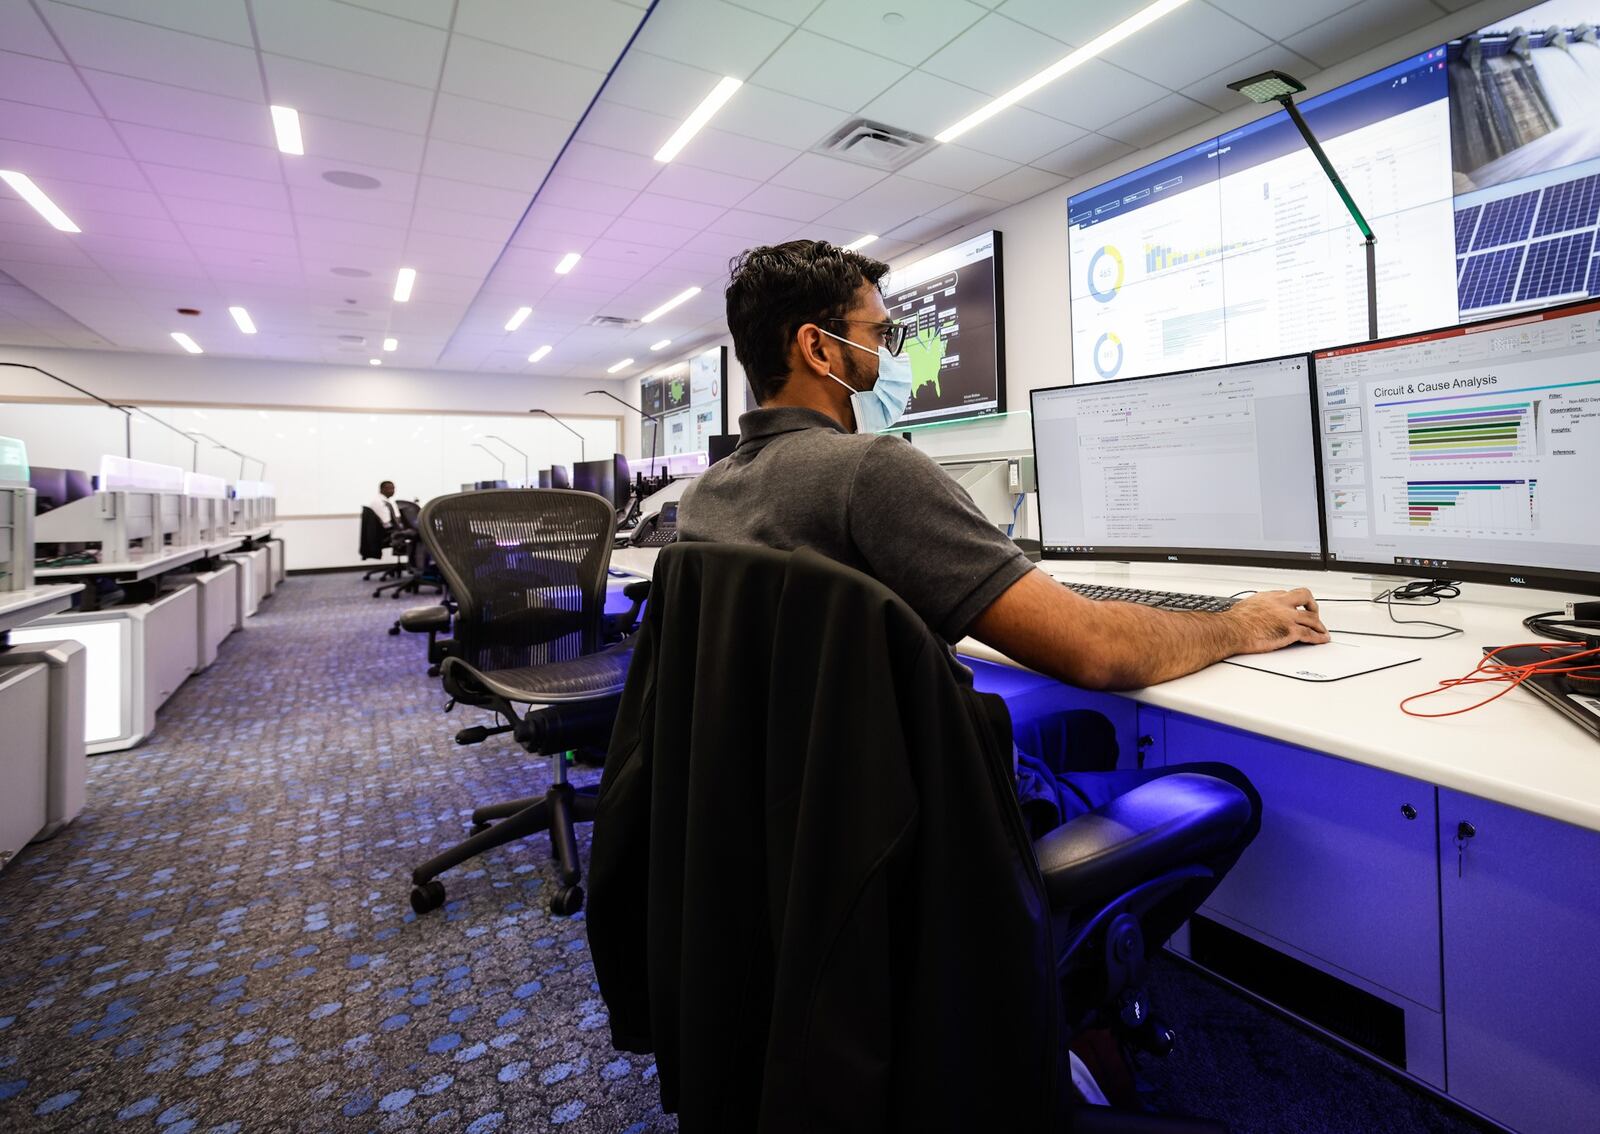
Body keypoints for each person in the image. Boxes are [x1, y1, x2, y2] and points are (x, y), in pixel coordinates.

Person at [678, 240, 1329, 865]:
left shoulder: (705, 497)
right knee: (1225, 785)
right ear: (818, 347)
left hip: (811, 813)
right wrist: (1240, 623)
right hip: (933, 821)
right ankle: (1051, 957)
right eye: (880, 336)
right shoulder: (870, 471)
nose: (888, 357)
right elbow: (1094, 649)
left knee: (1087, 730)